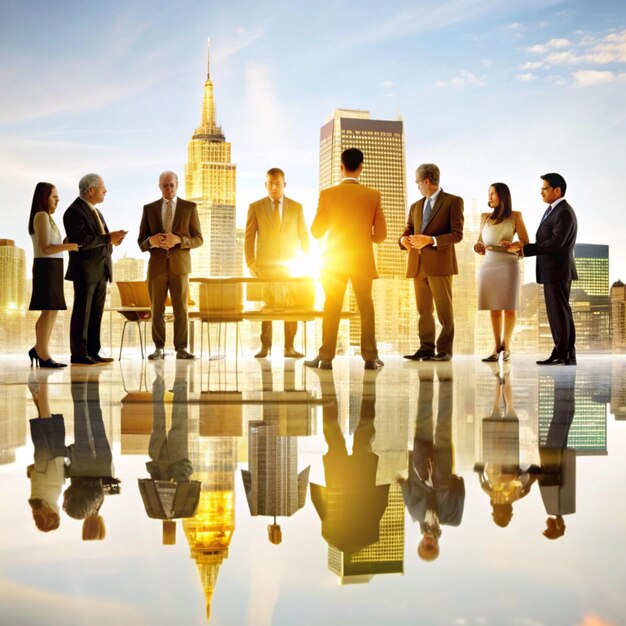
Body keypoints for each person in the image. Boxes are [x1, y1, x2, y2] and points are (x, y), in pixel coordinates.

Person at [304, 148, 386, 370]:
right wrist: (362, 235)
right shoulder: (373, 195)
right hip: (361, 259)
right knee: (365, 306)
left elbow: (317, 231)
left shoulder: (327, 194)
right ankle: (370, 357)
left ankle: (325, 357)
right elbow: (380, 236)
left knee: (332, 305)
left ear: (341, 167)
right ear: (361, 167)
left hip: (334, 260)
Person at [504, 173, 577, 365]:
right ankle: (566, 353)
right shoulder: (554, 210)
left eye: (545, 188)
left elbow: (555, 243)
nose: (541, 192)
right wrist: (521, 248)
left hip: (557, 270)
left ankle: (562, 354)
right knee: (560, 312)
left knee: (558, 313)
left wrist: (525, 249)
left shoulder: (563, 212)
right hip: (553, 270)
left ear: (557, 190)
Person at [400, 163, 464, 362]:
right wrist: (402, 240)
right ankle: (426, 348)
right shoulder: (415, 206)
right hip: (418, 265)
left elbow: (457, 234)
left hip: (440, 265)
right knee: (424, 310)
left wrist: (431, 240)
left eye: (418, 182)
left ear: (426, 181)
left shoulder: (453, 202)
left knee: (444, 310)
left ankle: (444, 350)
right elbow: (408, 229)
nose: (417, 186)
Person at [244, 168, 309, 358]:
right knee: (268, 307)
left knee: (293, 306)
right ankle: (265, 347)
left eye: (277, 183)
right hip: (266, 266)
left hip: (291, 266)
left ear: (284, 185)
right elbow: (249, 238)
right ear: (265, 185)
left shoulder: (296, 207)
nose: (274, 187)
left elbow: (303, 235)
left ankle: (289, 347)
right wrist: (251, 262)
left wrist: (306, 260)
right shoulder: (255, 207)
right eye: (270, 183)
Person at [138, 171, 203, 360]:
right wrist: (152, 240)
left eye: (172, 185)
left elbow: (198, 239)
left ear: (177, 185)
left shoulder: (189, 208)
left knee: (180, 309)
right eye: (165, 186)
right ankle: (159, 348)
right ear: (160, 187)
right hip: (157, 268)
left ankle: (181, 348)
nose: (169, 189)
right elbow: (141, 242)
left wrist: (179, 240)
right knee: (156, 309)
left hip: (180, 267)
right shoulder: (149, 209)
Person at [64, 174, 127, 365]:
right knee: (82, 313)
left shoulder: (96, 212)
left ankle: (93, 351)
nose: (105, 191)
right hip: (85, 270)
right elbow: (81, 241)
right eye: (102, 188)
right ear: (90, 190)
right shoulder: (74, 211)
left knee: (96, 314)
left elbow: (100, 239)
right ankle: (79, 354)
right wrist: (109, 238)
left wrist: (113, 240)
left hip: (101, 269)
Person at [474, 183, 529, 362]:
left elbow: (524, 241)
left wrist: (513, 245)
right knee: (494, 308)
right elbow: (479, 241)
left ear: (502, 196)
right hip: (489, 264)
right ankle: (496, 348)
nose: (489, 197)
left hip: (508, 264)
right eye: (488, 193)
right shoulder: (485, 217)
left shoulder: (515, 216)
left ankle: (507, 347)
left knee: (509, 307)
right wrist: (479, 246)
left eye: (492, 193)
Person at [27, 182, 79, 367]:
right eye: (54, 196)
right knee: (48, 310)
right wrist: (69, 246)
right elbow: (46, 248)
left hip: (53, 266)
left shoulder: (47, 218)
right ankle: (43, 353)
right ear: (44, 197)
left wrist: (67, 241)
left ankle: (39, 349)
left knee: (52, 309)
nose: (58, 200)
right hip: (45, 267)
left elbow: (53, 245)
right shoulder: (41, 216)